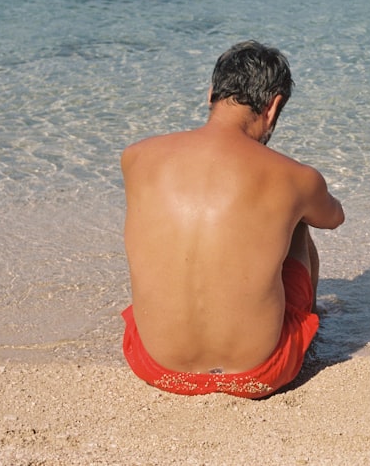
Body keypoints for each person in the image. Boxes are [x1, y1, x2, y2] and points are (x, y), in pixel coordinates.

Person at [120, 41, 345, 399]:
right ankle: (310, 325)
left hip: (156, 367)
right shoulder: (294, 176)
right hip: (261, 373)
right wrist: (296, 194)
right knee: (301, 217)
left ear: (211, 95)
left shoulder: (135, 158)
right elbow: (333, 218)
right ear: (274, 107)